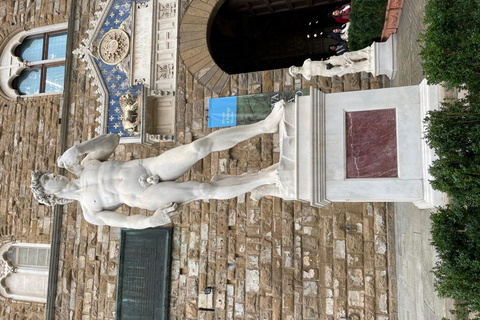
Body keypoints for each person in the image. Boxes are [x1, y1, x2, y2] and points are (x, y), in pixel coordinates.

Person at [31, 102, 285, 229]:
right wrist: (152, 221)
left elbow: (113, 139)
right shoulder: (90, 212)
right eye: (49, 178)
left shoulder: (87, 164)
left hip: (148, 168)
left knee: (199, 147)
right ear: (50, 193)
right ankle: (264, 179)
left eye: (51, 172)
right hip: (144, 195)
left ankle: (264, 126)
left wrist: (80, 148)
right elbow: (126, 221)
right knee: (202, 189)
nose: (55, 174)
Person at [289, 44, 374, 79]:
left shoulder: (306, 62)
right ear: (295, 74)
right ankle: (367, 65)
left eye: (292, 67)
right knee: (347, 68)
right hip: (326, 71)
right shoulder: (306, 76)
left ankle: (366, 53)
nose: (294, 69)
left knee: (346, 57)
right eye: (293, 70)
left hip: (327, 62)